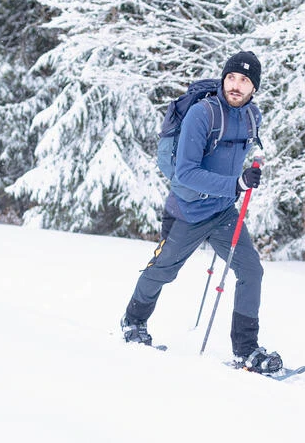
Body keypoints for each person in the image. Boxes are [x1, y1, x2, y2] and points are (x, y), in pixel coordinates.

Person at [121, 51, 282, 374]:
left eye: (245, 80)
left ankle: (246, 350)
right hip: (188, 210)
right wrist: (235, 182)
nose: (236, 85)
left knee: (251, 271)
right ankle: (133, 321)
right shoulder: (202, 114)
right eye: (232, 77)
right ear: (224, 78)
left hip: (223, 212)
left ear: (255, 88)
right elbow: (185, 173)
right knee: (163, 270)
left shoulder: (253, 117)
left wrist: (244, 177)